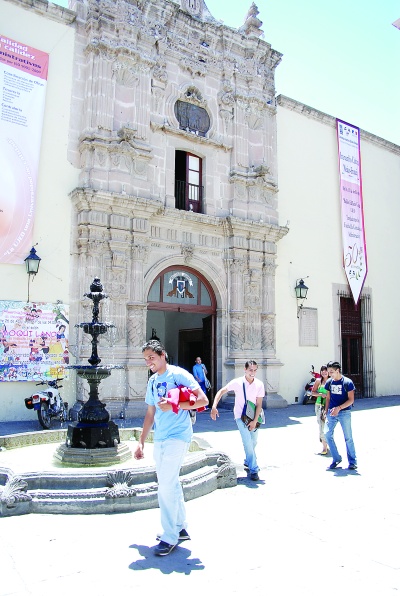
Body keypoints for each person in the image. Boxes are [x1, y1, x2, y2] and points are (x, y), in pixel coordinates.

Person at [134, 339, 208, 556]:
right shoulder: (152, 381)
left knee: (165, 485)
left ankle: (169, 536)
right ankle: (180, 526)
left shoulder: (178, 375)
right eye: (145, 359)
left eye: (151, 357)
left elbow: (203, 400)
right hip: (161, 437)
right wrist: (141, 442)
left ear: (162, 355)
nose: (148, 362)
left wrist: (175, 404)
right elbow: (150, 413)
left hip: (179, 435)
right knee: (170, 482)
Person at [211, 360, 265, 481]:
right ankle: (254, 469)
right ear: (245, 370)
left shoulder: (259, 384)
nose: (252, 372)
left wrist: (254, 421)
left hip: (254, 416)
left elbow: (259, 404)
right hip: (240, 416)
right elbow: (221, 391)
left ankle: (247, 460)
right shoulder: (237, 382)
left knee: (253, 441)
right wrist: (214, 406)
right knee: (247, 442)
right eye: (250, 370)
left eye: (255, 370)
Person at [324, 360, 357, 471]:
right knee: (327, 434)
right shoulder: (329, 382)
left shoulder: (347, 382)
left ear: (338, 370)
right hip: (331, 412)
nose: (330, 374)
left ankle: (352, 462)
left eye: (332, 372)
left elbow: (351, 400)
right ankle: (336, 458)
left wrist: (339, 408)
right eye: (329, 372)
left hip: (344, 412)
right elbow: (328, 398)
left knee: (348, 437)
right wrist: (326, 410)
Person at [311, 365, 329, 455]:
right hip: (319, 405)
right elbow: (313, 392)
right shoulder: (318, 381)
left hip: (329, 406)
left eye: (326, 371)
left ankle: (326, 445)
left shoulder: (331, 381)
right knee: (321, 424)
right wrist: (321, 394)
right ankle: (324, 445)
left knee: (326, 425)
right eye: (322, 371)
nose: (324, 372)